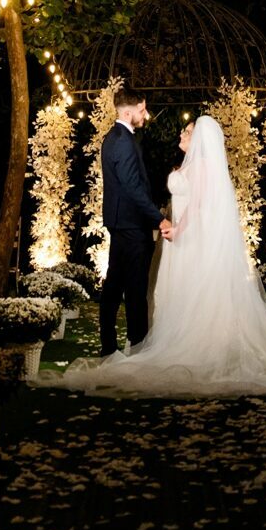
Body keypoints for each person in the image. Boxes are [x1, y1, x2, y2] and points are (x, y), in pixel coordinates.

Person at [52, 114, 266, 398]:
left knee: (194, 291)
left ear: (200, 140)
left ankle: (199, 344)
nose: (182, 134)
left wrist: (178, 228)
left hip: (188, 237)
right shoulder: (189, 164)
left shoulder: (204, 165)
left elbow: (198, 203)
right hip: (178, 238)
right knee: (179, 291)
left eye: (188, 131)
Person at [97, 86, 173, 358]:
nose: (146, 114)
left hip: (121, 223)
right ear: (128, 112)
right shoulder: (124, 142)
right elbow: (132, 188)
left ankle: (109, 346)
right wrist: (159, 219)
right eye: (142, 109)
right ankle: (139, 348)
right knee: (135, 287)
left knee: (115, 284)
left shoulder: (113, 137)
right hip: (131, 225)